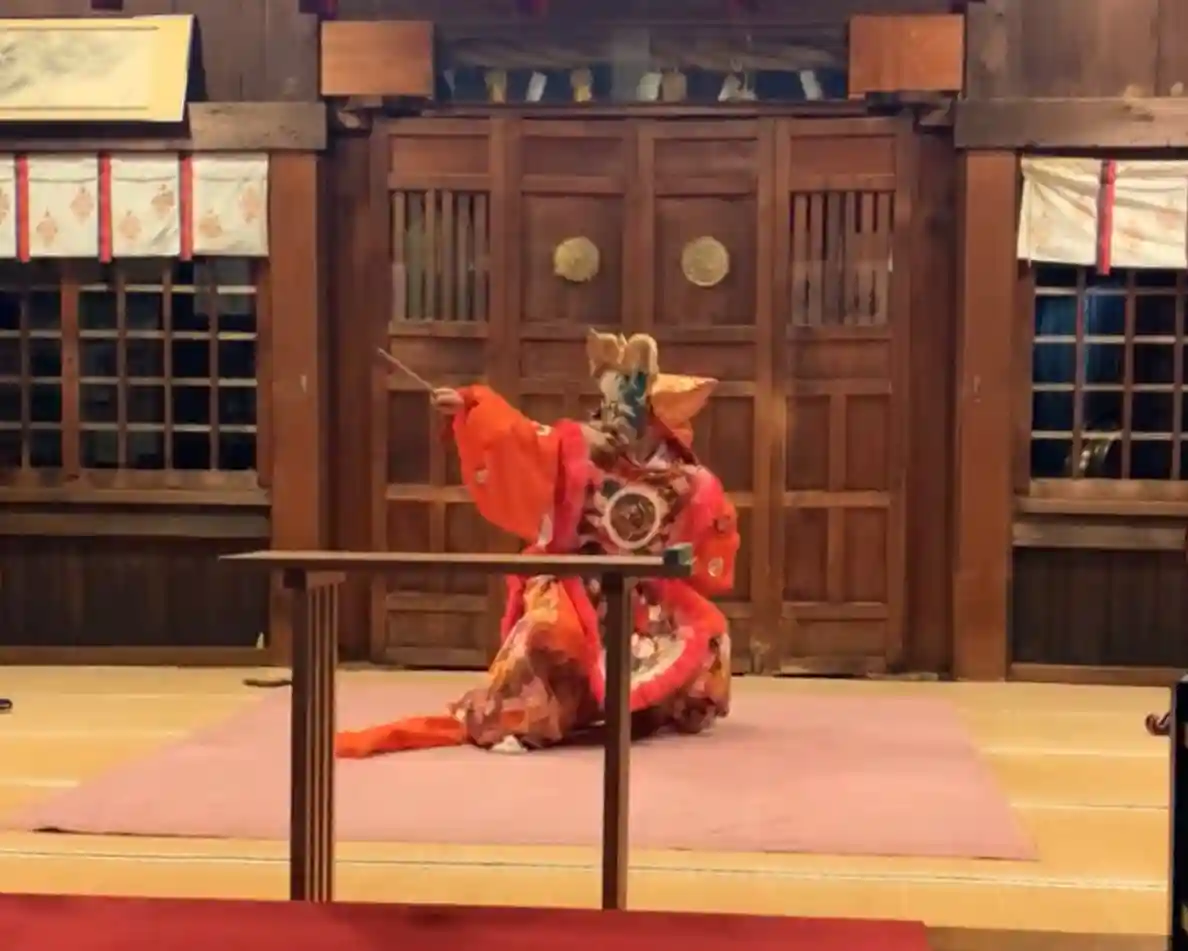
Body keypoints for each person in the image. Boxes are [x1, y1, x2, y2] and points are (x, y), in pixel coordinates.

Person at [335, 330, 740, 757]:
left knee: (705, 630)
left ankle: (664, 707)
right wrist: (472, 406)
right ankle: (519, 720)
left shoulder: (687, 479)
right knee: (548, 633)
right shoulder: (580, 449)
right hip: (575, 574)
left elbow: (706, 537)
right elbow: (522, 437)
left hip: (641, 587)